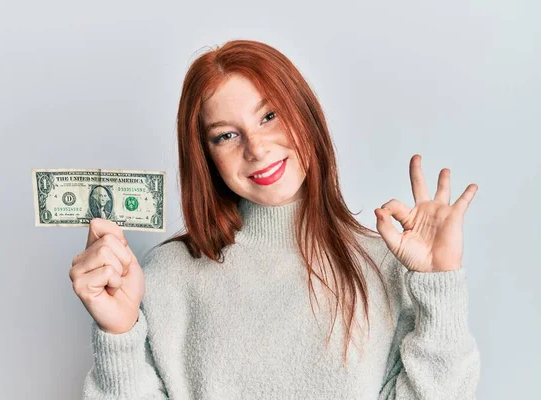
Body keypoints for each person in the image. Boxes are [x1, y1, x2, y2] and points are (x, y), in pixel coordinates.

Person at [69, 39, 481, 399]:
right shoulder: (163, 278)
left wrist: (439, 285)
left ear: (306, 115)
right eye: (226, 135)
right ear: (205, 156)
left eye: (269, 116)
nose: (257, 148)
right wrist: (119, 336)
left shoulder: (387, 267)